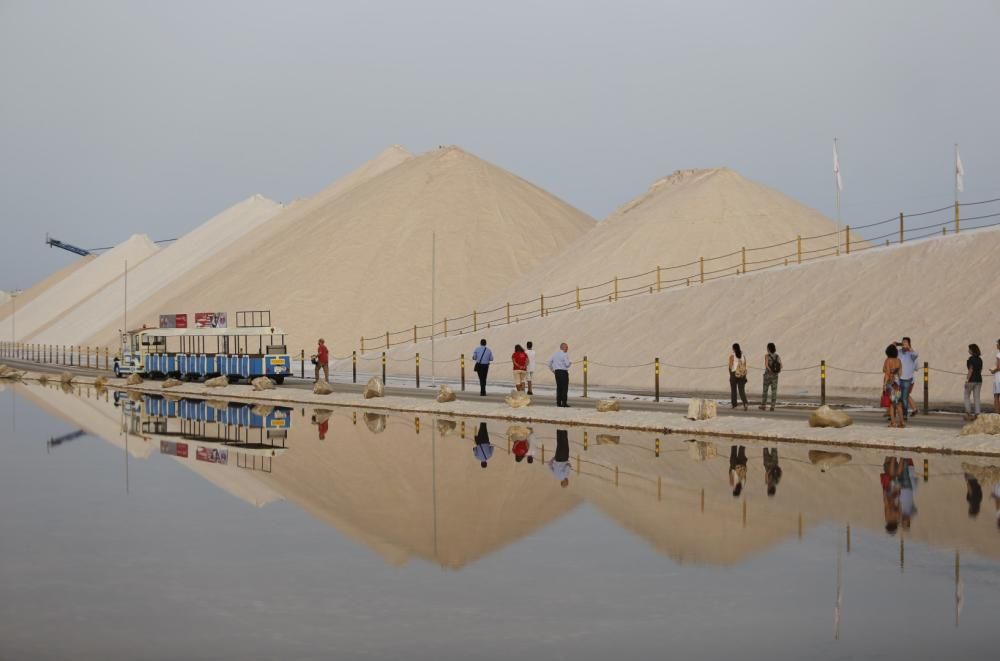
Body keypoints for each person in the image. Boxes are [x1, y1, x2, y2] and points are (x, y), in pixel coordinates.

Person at [897, 337, 919, 419]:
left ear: (909, 344)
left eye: (905, 342)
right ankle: (912, 410)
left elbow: (916, 365)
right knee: (902, 396)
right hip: (898, 378)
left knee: (904, 397)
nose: (904, 344)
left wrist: (909, 348)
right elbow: (890, 353)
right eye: (902, 342)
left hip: (908, 379)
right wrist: (894, 344)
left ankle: (905, 414)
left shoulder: (912, 354)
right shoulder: (899, 352)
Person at [883, 344, 904, 428]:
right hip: (897, 383)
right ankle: (902, 422)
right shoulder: (898, 360)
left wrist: (885, 384)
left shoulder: (888, 360)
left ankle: (893, 422)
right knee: (898, 404)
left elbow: (887, 373)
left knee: (891, 404)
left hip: (890, 383)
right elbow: (900, 373)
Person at [759, 342, 781, 412]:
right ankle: (772, 406)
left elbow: (766, 365)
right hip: (775, 376)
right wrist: (776, 371)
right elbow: (781, 366)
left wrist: (770, 370)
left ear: (768, 348)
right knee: (774, 391)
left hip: (767, 375)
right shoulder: (777, 356)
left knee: (765, 391)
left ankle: (763, 405)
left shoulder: (767, 356)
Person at [548, 343, 572, 407]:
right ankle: (564, 402)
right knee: (564, 388)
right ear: (563, 347)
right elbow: (567, 365)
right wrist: (570, 363)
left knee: (559, 387)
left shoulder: (555, 354)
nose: (567, 348)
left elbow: (549, 363)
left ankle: (558, 403)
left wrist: (553, 370)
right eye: (566, 347)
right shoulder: (565, 354)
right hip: (563, 372)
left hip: (557, 372)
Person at [965, 343, 983, 420]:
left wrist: (966, 380)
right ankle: (977, 414)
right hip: (979, 379)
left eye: (969, 349)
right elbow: (980, 370)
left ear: (972, 351)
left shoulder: (970, 359)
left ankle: (968, 413)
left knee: (967, 396)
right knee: (977, 397)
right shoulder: (980, 360)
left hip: (971, 380)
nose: (968, 350)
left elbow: (970, 370)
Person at [728, 343, 748, 410]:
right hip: (742, 374)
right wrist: (745, 376)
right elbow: (745, 367)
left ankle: (734, 404)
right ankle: (745, 403)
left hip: (734, 374)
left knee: (733, 390)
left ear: (733, 348)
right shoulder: (743, 356)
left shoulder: (732, 356)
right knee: (741, 390)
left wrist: (731, 374)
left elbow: (730, 367)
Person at [992, 339, 1000, 413]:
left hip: (998, 378)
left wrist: (992, 371)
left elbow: (998, 367)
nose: (996, 345)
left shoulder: (998, 354)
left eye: (997, 344)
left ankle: (997, 412)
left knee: (996, 395)